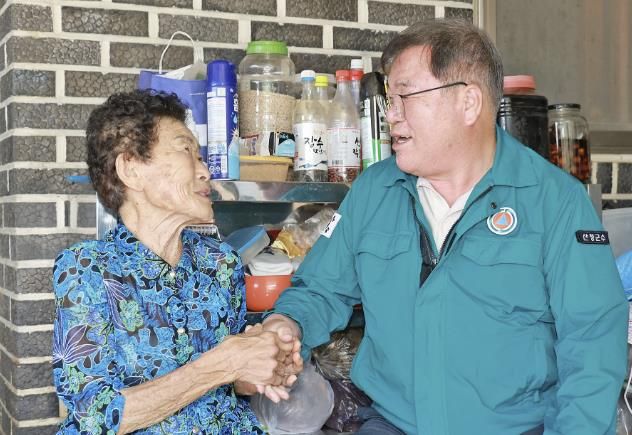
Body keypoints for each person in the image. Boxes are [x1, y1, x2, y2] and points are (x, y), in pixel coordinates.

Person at [263, 19, 628, 435]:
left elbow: (593, 345)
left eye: (405, 97)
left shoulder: (555, 202)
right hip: (392, 424)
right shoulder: (374, 190)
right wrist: (286, 324)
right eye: (389, 100)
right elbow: (320, 289)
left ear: (468, 102)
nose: (391, 116)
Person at [52, 90, 301, 434]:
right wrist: (221, 364)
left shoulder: (221, 262)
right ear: (131, 169)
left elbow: (232, 384)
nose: (205, 172)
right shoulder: (87, 269)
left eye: (201, 157)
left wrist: (261, 365)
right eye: (187, 152)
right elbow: (96, 417)